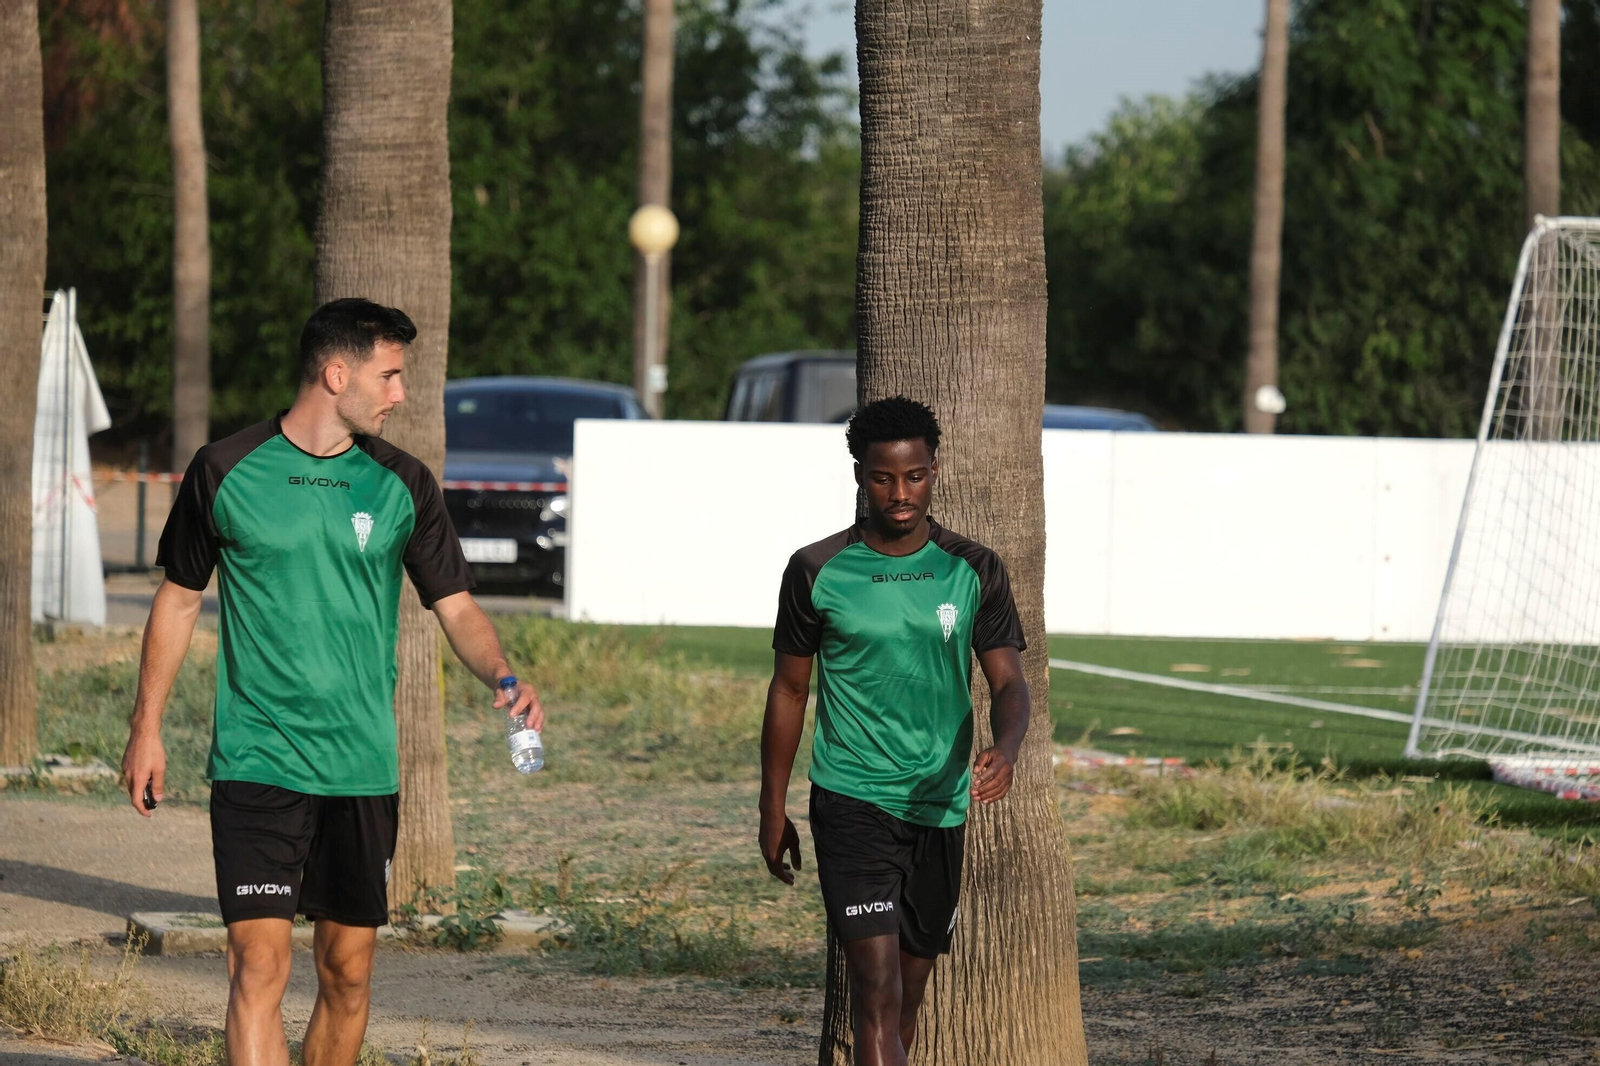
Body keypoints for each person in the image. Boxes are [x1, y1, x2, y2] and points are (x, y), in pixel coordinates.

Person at [120, 298, 545, 1066]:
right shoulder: (224, 469)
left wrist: (503, 673)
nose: (400, 393)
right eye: (389, 375)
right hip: (258, 761)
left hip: (360, 766)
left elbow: (456, 606)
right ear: (335, 371)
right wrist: (145, 727)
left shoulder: (401, 483)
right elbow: (178, 600)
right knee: (259, 968)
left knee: (346, 975)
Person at [758, 395, 1030, 1066]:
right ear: (860, 474)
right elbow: (790, 689)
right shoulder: (817, 570)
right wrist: (772, 806)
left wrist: (1010, 747)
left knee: (908, 999)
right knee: (874, 995)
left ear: (934, 471)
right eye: (883, 477)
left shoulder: (974, 569)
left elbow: (1009, 683)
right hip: (852, 800)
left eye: (914, 476)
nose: (900, 492)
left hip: (940, 806)